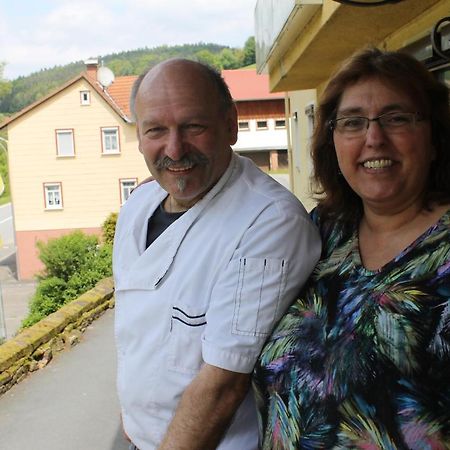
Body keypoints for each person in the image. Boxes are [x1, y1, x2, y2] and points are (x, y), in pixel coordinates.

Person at [113, 58, 321, 450]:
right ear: (138, 136)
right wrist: (133, 415)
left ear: (230, 125)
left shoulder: (268, 221)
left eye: (194, 126)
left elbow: (222, 386)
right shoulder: (138, 205)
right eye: (156, 129)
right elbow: (136, 329)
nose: (174, 149)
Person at [253, 47, 450, 449]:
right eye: (353, 122)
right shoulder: (318, 232)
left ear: (434, 138)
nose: (374, 138)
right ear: (334, 142)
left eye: (396, 119)